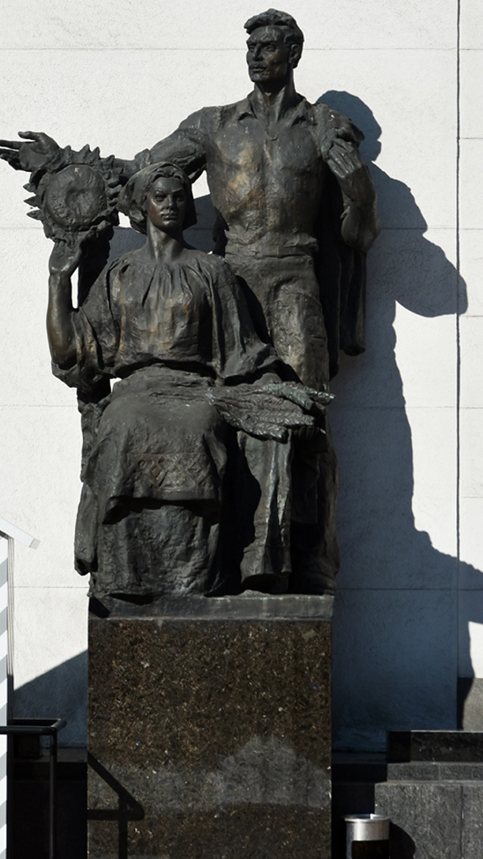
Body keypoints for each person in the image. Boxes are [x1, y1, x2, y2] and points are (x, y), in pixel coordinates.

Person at [0, 8, 379, 591]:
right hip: (232, 274)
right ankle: (242, 555)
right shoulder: (214, 126)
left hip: (294, 283)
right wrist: (60, 167)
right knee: (227, 420)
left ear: (294, 54)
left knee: (306, 420)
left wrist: (357, 189)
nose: (256, 55)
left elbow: (358, 236)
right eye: (251, 46)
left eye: (269, 46)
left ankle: (308, 560)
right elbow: (142, 174)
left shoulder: (324, 127)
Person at [46, 163, 326, 599]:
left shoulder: (212, 272)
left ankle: (201, 577)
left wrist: (274, 387)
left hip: (197, 392)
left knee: (197, 432)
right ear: (143, 205)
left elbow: (245, 350)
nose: (171, 204)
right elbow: (70, 354)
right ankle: (123, 577)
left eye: (179, 197)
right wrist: (59, 280)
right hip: (137, 391)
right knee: (122, 428)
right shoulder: (119, 275)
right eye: (160, 197)